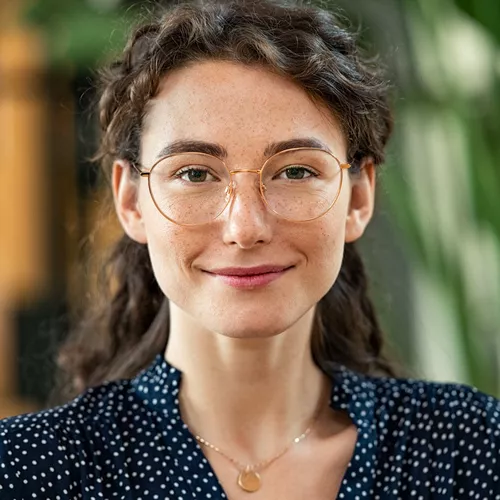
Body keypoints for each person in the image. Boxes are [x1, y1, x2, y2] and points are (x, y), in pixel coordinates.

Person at [1, 0, 499, 498]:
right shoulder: (29, 468)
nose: (245, 227)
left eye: (295, 171)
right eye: (194, 173)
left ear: (359, 196)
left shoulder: (469, 449)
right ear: (130, 200)